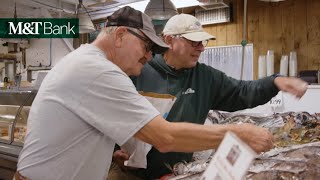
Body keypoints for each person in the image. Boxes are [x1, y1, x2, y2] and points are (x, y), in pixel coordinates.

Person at [15, 7, 274, 180]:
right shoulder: (99, 71)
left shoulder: (86, 61)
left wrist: (107, 151)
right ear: (119, 36)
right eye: (147, 46)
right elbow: (165, 138)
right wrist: (237, 133)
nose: (149, 56)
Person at [109, 14, 308, 180]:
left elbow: (242, 92)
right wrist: (114, 151)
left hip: (178, 173)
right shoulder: (138, 70)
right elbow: (111, 115)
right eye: (193, 42)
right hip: (132, 174)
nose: (201, 48)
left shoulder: (205, 77)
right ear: (169, 40)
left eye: (202, 42)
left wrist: (275, 82)